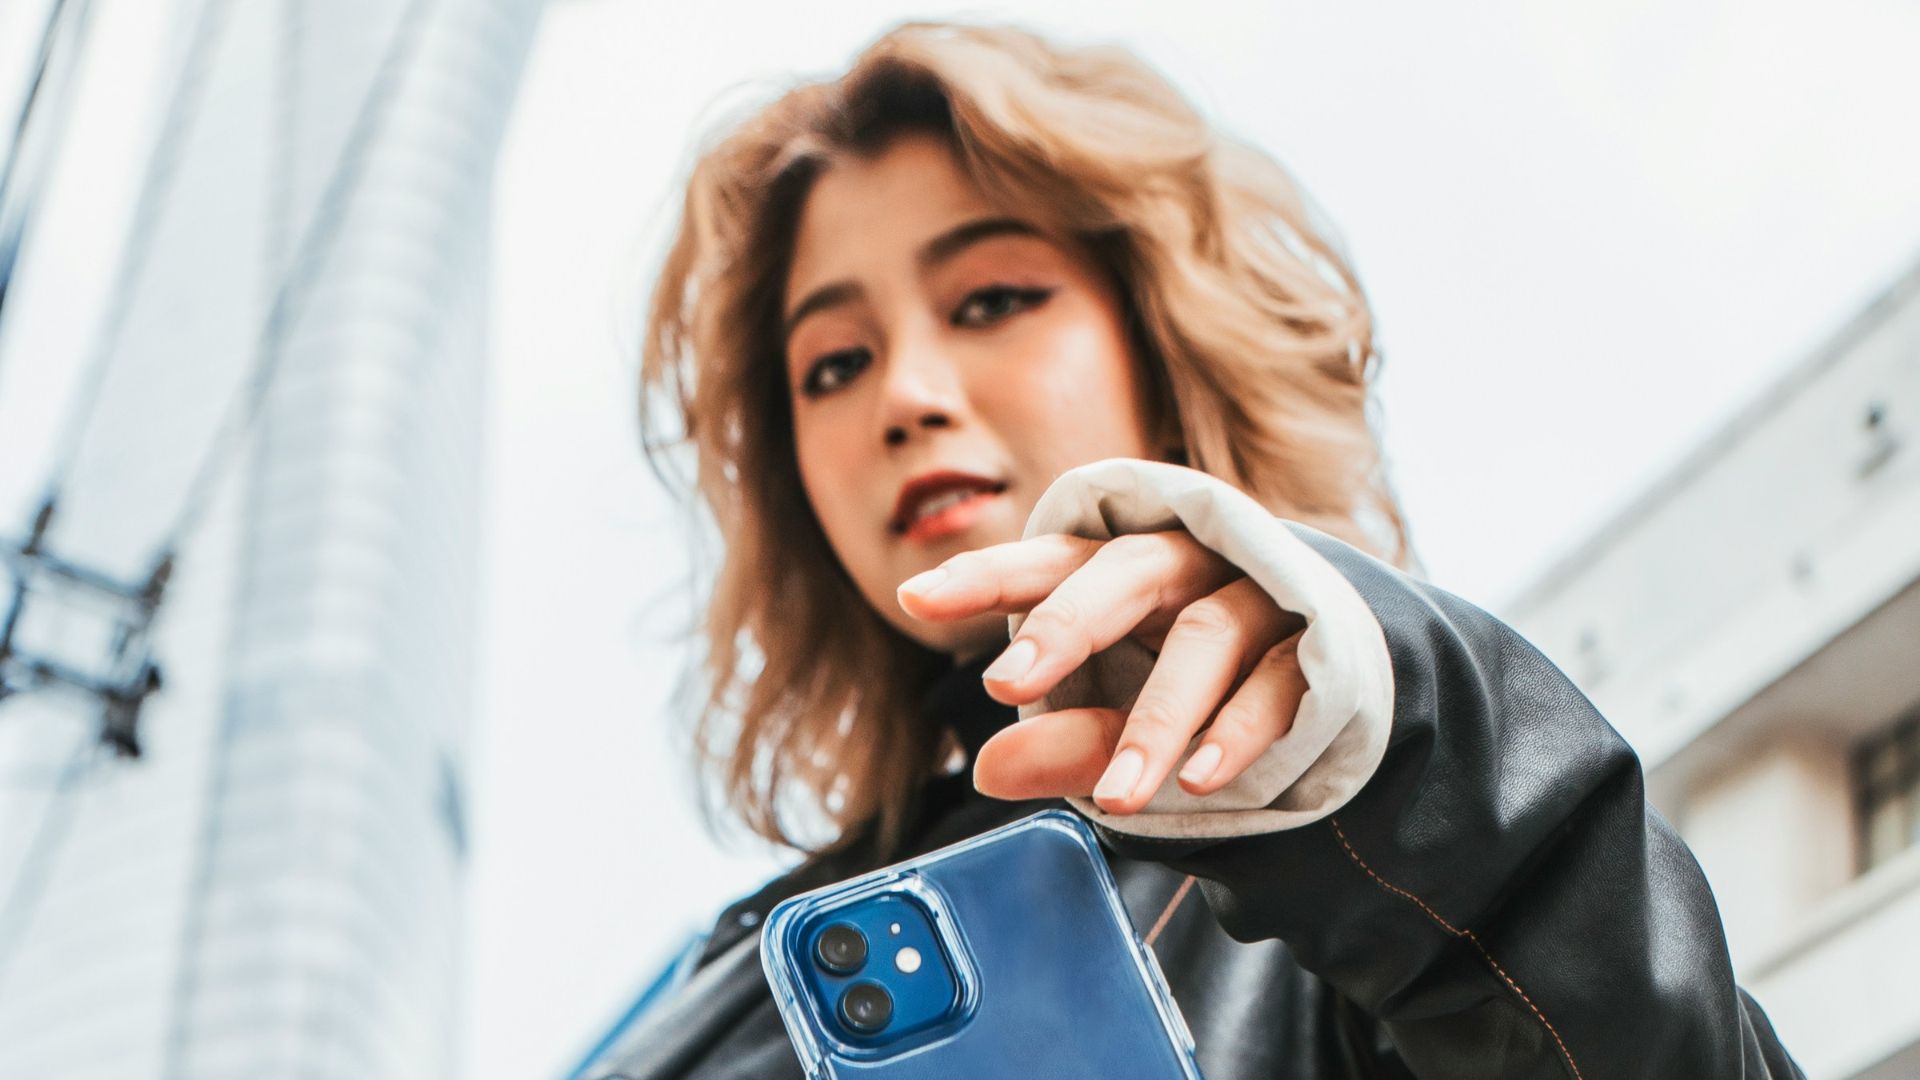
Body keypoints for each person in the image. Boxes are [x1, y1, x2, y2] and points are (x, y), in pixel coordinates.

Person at [593, 18, 1805, 1079]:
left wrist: (1410, 777)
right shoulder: (749, 961)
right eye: (834, 364)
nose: (902, 395)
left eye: (992, 298)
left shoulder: (1360, 899)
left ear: (1162, 342)